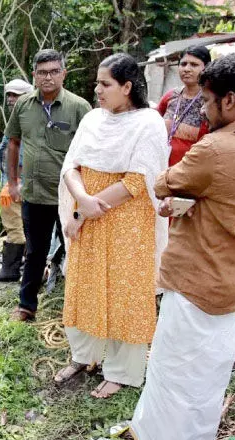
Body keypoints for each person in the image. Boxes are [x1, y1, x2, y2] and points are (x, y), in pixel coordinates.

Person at [131, 52, 235, 440]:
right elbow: (225, 198)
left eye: (208, 100)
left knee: (175, 369)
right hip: (234, 277)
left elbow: (166, 180)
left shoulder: (215, 148)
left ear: (230, 100)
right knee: (207, 374)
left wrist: (182, 195)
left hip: (197, 275)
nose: (202, 108)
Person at [53, 53, 168, 399]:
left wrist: (86, 209)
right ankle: (82, 356)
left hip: (126, 226)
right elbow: (71, 166)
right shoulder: (91, 120)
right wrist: (81, 203)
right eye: (97, 83)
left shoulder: (149, 123)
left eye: (105, 84)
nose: (97, 89)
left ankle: (121, 372)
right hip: (86, 218)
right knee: (83, 286)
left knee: (124, 294)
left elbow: (136, 182)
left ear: (127, 87)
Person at [5, 49, 92, 320]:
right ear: (34, 75)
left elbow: (91, 152)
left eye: (54, 71)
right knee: (35, 252)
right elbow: (14, 142)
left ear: (64, 73)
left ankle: (80, 306)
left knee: (75, 249)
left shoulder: (80, 107)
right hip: (34, 194)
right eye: (42, 72)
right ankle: (26, 306)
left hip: (70, 195)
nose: (48, 77)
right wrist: (13, 183)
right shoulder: (23, 105)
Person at [0, 78, 34, 282]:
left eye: (16, 95)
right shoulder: (19, 119)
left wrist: (16, 183)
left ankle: (10, 271)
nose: (11, 99)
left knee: (15, 226)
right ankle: (22, 264)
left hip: (16, 186)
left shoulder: (26, 121)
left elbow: (23, 157)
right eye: (9, 95)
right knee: (22, 225)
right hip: (14, 183)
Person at [157, 46, 212, 166]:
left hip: (192, 171)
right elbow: (153, 124)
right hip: (162, 168)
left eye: (194, 64)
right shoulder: (170, 96)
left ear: (206, 68)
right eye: (183, 64)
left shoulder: (210, 101)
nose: (187, 69)